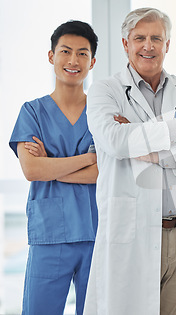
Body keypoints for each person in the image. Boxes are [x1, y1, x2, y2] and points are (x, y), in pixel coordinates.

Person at [83, 7, 176, 315]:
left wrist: (151, 150)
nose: (148, 46)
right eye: (139, 38)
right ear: (125, 44)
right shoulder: (106, 90)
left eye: (156, 38)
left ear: (167, 44)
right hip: (131, 229)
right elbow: (116, 141)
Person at [9, 21, 98, 315]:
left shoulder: (101, 114)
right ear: (51, 56)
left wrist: (52, 164)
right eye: (66, 51)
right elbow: (32, 170)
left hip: (96, 234)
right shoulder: (32, 112)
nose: (73, 61)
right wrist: (87, 158)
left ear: (92, 62)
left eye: (82, 54)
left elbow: (105, 172)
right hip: (50, 236)